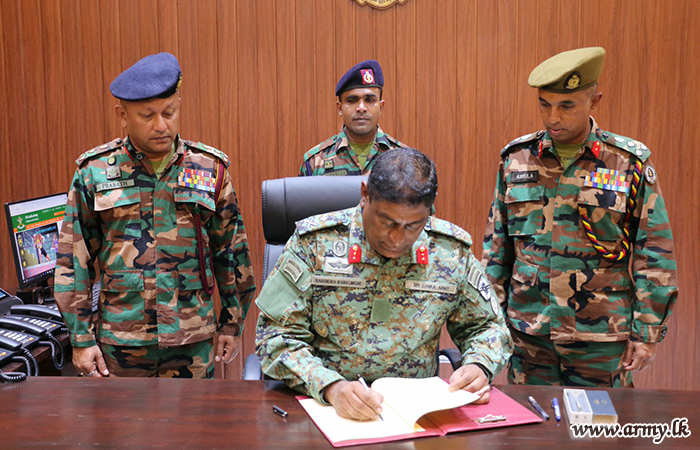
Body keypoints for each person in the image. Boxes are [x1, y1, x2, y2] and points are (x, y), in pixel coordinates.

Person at [257, 147, 512, 420]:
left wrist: (478, 365)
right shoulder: (315, 243)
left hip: (415, 414)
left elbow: (487, 327)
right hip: (326, 408)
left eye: (413, 225)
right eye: (387, 222)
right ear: (365, 195)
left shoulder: (449, 252)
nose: (397, 238)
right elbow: (275, 335)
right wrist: (330, 386)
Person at [482, 47, 679, 387]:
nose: (553, 117)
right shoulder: (517, 160)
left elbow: (654, 251)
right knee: (532, 421)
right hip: (530, 334)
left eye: (566, 106)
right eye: (545, 105)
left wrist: (647, 332)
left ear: (594, 101)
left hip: (600, 336)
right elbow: (496, 250)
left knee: (600, 420)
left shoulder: (627, 162)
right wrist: (489, 323)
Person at [54, 53, 256, 378]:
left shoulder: (209, 169)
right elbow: (73, 260)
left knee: (197, 414)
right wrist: (80, 338)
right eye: (147, 116)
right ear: (122, 115)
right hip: (122, 342)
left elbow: (231, 252)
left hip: (192, 338)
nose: (161, 126)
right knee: (122, 415)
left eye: (169, 112)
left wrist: (232, 323)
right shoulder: (94, 173)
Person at [299, 60, 404, 176]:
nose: (361, 108)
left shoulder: (404, 160)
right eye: (352, 101)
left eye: (370, 100)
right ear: (340, 108)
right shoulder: (315, 162)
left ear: (381, 107)